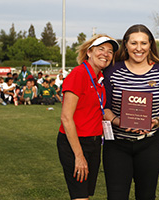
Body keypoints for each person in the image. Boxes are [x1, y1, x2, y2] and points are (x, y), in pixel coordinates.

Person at [102, 24, 159, 200]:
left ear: (150, 45)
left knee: (146, 196)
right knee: (116, 196)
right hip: (116, 145)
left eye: (143, 43)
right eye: (134, 43)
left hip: (149, 145)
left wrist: (156, 121)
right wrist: (118, 121)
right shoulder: (112, 71)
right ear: (126, 45)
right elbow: (104, 107)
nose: (139, 48)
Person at [57, 34, 119, 200]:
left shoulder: (99, 79)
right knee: (80, 196)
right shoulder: (79, 74)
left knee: (86, 194)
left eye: (110, 51)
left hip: (94, 142)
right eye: (101, 49)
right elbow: (66, 117)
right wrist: (79, 155)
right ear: (89, 52)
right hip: (76, 143)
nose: (105, 54)